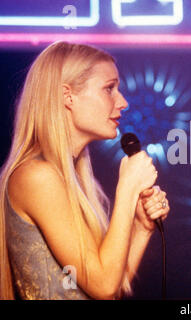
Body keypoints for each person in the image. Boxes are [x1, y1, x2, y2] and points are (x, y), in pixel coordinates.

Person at [0, 42, 170, 300]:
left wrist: (141, 227)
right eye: (109, 89)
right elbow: (102, 287)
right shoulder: (37, 176)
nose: (122, 102)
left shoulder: (68, 176)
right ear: (67, 96)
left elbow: (108, 285)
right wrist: (127, 189)